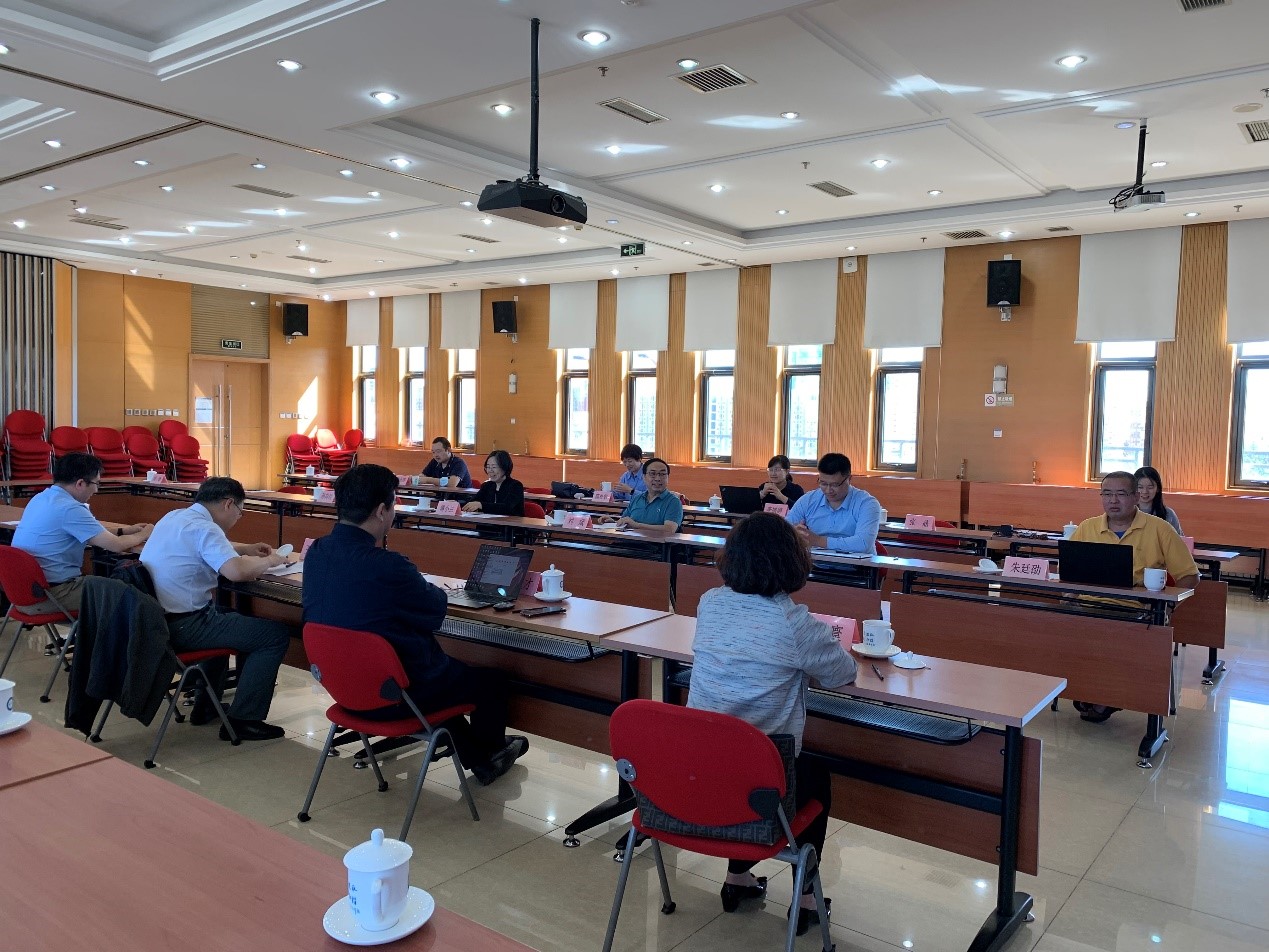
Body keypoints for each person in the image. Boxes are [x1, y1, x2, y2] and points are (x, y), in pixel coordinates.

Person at [302, 464, 528, 784]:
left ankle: (475, 754)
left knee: (435, 684)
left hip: (344, 689)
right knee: (490, 681)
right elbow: (436, 610)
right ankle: (488, 758)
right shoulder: (388, 566)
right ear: (382, 510)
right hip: (396, 698)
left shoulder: (317, 552)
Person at [687, 513, 856, 932]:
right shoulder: (794, 623)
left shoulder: (710, 602)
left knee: (740, 753)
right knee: (811, 775)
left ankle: (737, 878)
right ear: (791, 562)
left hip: (698, 768)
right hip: (762, 780)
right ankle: (806, 899)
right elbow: (842, 673)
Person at [140, 477, 291, 741]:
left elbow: (202, 546)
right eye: (240, 512)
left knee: (225, 615)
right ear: (228, 504)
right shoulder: (206, 529)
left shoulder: (174, 517)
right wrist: (271, 560)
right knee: (274, 634)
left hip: (156, 622)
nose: (237, 518)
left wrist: (243, 548)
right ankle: (244, 720)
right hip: (184, 626)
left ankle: (206, 706)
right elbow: (237, 572)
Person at [1069, 471, 1199, 723]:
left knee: (1113, 633)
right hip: (1088, 605)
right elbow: (1070, 572)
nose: (1113, 500)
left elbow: (1190, 576)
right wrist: (1069, 593)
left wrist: (1167, 607)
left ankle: (1104, 695)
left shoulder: (1160, 529)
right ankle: (1084, 688)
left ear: (1136, 497)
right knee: (1054, 626)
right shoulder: (1087, 527)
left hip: (1137, 610)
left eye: (1121, 494)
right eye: (1107, 494)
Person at [13, 453, 152, 612]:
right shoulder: (70, 508)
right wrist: (146, 533)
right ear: (80, 483)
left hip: (24, 595)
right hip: (55, 595)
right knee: (133, 597)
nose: (96, 490)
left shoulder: (41, 498)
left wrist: (124, 530)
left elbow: (91, 534)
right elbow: (117, 545)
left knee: (116, 588)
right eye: (96, 483)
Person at [785, 453, 881, 553]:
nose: (828, 490)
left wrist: (818, 541)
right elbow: (784, 530)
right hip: (815, 561)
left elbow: (863, 544)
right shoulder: (808, 500)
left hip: (857, 562)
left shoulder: (867, 504)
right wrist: (794, 533)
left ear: (849, 479)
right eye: (823, 483)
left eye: (835, 485)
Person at [606, 458, 683, 533]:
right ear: (644, 477)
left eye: (662, 474)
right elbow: (625, 521)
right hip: (631, 540)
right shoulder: (637, 498)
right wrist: (612, 523)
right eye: (652, 474)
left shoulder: (673, 502)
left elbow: (669, 529)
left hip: (655, 541)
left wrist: (637, 525)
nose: (658, 478)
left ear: (668, 477)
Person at [462, 450, 524, 516]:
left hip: (510, 522)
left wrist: (481, 505)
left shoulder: (515, 486)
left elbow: (507, 507)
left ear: (504, 467)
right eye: (488, 467)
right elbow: (473, 502)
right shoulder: (487, 486)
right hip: (488, 521)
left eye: (494, 467)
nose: (490, 471)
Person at [1135, 466, 1183, 535]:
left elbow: (1179, 539)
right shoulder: (1126, 513)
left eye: (1150, 487)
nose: (1145, 491)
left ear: (1158, 489)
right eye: (1140, 487)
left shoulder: (1168, 514)